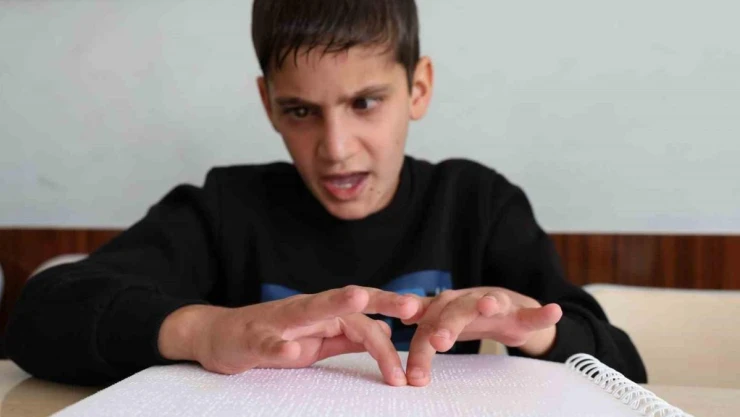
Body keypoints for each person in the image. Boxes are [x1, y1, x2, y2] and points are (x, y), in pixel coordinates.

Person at [6, 0, 646, 388]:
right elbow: (39, 318)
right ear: (268, 104)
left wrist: (533, 332)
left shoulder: (478, 203)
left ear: (418, 89)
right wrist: (206, 330)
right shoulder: (224, 207)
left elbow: (627, 370)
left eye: (365, 103)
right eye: (300, 111)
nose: (336, 148)